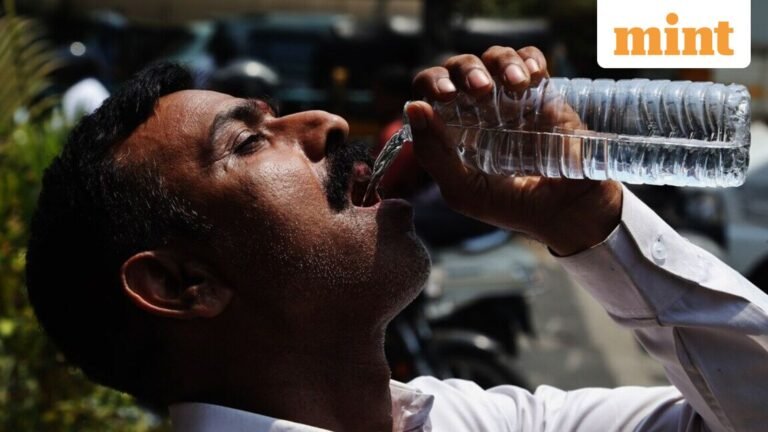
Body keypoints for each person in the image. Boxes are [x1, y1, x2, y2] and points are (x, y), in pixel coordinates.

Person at [25, 46, 768, 431]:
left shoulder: (468, 418)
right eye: (248, 143)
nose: (325, 125)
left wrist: (593, 222)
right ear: (183, 284)